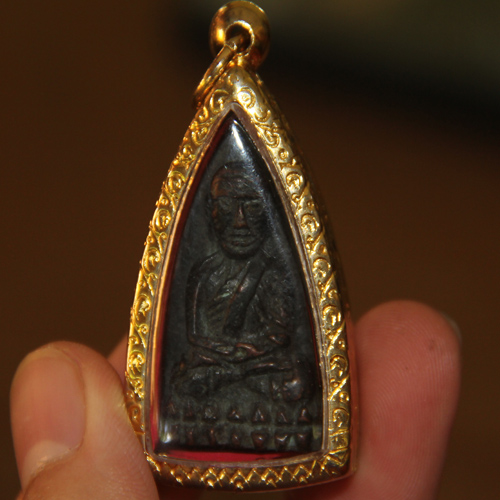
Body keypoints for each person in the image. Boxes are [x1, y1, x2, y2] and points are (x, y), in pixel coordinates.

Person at [10, 301, 461, 499]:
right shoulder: (206, 270)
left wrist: (238, 364)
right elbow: (195, 338)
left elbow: (281, 338)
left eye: (251, 207)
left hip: (262, 373)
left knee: (296, 378)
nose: (241, 221)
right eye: (228, 209)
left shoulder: (271, 274)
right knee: (185, 374)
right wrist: (229, 359)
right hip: (218, 370)